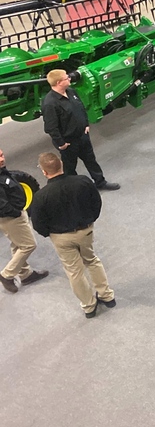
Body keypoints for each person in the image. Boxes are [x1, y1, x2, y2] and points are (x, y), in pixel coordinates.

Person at [29, 152, 114, 318]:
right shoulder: (82, 181)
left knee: (74, 272)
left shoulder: (40, 197)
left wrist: (51, 234)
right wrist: (90, 221)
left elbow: (38, 223)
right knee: (92, 260)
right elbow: (96, 202)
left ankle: (89, 306)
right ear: (61, 164)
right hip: (85, 231)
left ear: (44, 172)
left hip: (61, 237)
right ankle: (107, 296)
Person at [40, 69, 120, 191]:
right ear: (58, 82)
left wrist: (85, 124)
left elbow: (81, 108)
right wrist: (61, 143)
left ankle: (100, 182)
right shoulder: (50, 103)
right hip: (68, 142)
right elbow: (51, 127)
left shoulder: (71, 92)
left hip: (82, 136)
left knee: (91, 160)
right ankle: (75, 189)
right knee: (70, 168)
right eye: (66, 78)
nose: (70, 79)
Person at [0, 148, 49, 294]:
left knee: (17, 244)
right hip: (11, 218)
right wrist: (16, 213)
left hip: (15, 214)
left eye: (1, 155)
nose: (2, 159)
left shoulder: (3, 171)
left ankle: (25, 274)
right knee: (29, 245)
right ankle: (7, 275)